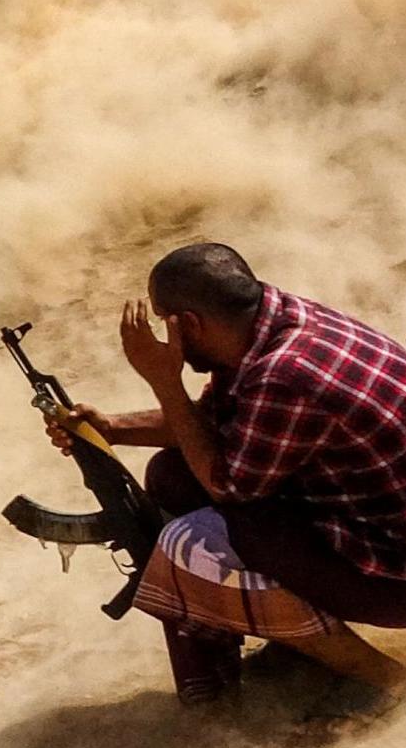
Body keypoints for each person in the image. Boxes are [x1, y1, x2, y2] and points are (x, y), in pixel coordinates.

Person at [50, 242, 406, 713]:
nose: (163, 336)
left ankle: (385, 682)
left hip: (395, 570)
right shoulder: (279, 322)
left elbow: (228, 485)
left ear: (188, 324)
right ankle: (297, 640)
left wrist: (164, 381)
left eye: (164, 322)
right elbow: (216, 420)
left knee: (242, 530)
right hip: (377, 519)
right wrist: (112, 429)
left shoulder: (284, 376)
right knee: (174, 476)